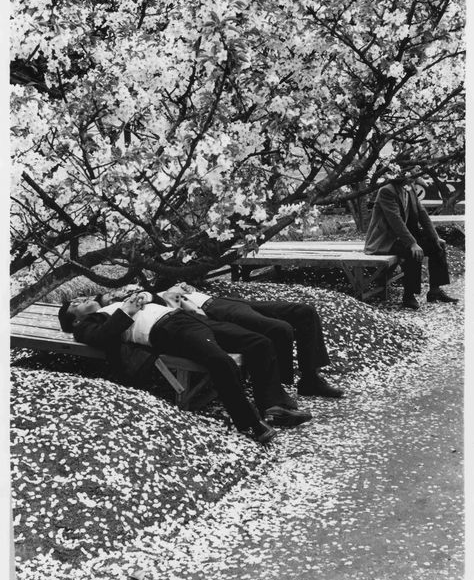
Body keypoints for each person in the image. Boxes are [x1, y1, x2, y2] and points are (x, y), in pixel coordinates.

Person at [58, 291, 312, 445]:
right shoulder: (87, 325)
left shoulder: (111, 304)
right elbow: (102, 338)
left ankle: (273, 406)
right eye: (74, 304)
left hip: (189, 320)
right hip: (169, 330)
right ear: (75, 319)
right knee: (220, 360)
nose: (81, 299)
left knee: (259, 343)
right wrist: (127, 309)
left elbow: (161, 300)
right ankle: (250, 424)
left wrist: (148, 297)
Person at [160, 284, 343, 398]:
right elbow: (175, 316)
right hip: (214, 311)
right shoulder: (145, 305)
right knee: (280, 328)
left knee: (305, 311)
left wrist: (182, 288)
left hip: (220, 300)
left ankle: (310, 378)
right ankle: (277, 391)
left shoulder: (147, 293)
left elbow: (178, 290)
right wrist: (174, 299)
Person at [364, 176, 459, 310]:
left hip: (404, 236)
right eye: (412, 172)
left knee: (437, 245)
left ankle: (435, 290)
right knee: (412, 251)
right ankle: (409, 296)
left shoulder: (410, 188)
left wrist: (435, 237)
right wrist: (412, 243)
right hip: (386, 239)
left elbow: (422, 213)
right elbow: (395, 220)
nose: (416, 175)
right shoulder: (386, 191)